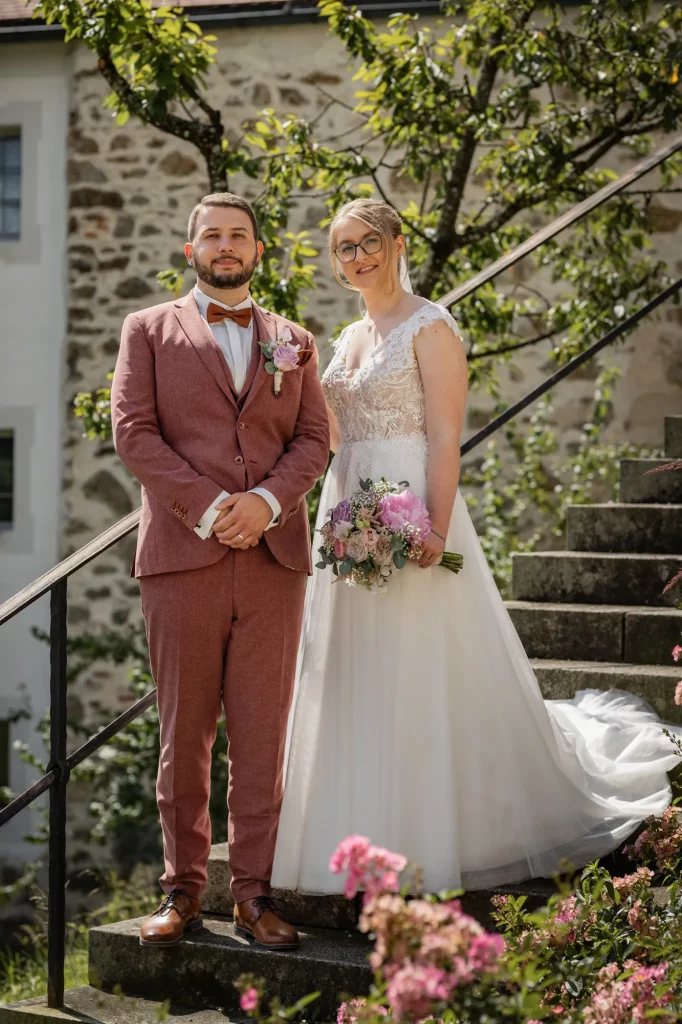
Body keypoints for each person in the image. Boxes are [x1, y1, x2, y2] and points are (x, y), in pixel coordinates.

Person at [272, 197, 681, 895]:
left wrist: (431, 525)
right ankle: (360, 825)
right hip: (348, 512)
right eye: (343, 248)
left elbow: (442, 436)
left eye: (368, 241)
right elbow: (341, 438)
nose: (357, 257)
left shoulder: (431, 326)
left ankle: (434, 827)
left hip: (411, 508)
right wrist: (292, 382)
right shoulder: (344, 341)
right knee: (356, 669)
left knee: (419, 662)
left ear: (398, 242)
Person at [111, 192, 330, 949]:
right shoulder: (146, 330)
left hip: (273, 559)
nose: (226, 246)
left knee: (264, 733)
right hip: (183, 558)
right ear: (190, 248)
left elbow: (313, 440)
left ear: (259, 252)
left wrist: (266, 503)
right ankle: (181, 893)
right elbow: (133, 433)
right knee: (186, 732)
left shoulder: (294, 340)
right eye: (213, 235)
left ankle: (255, 896)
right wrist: (210, 509)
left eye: (239, 236)